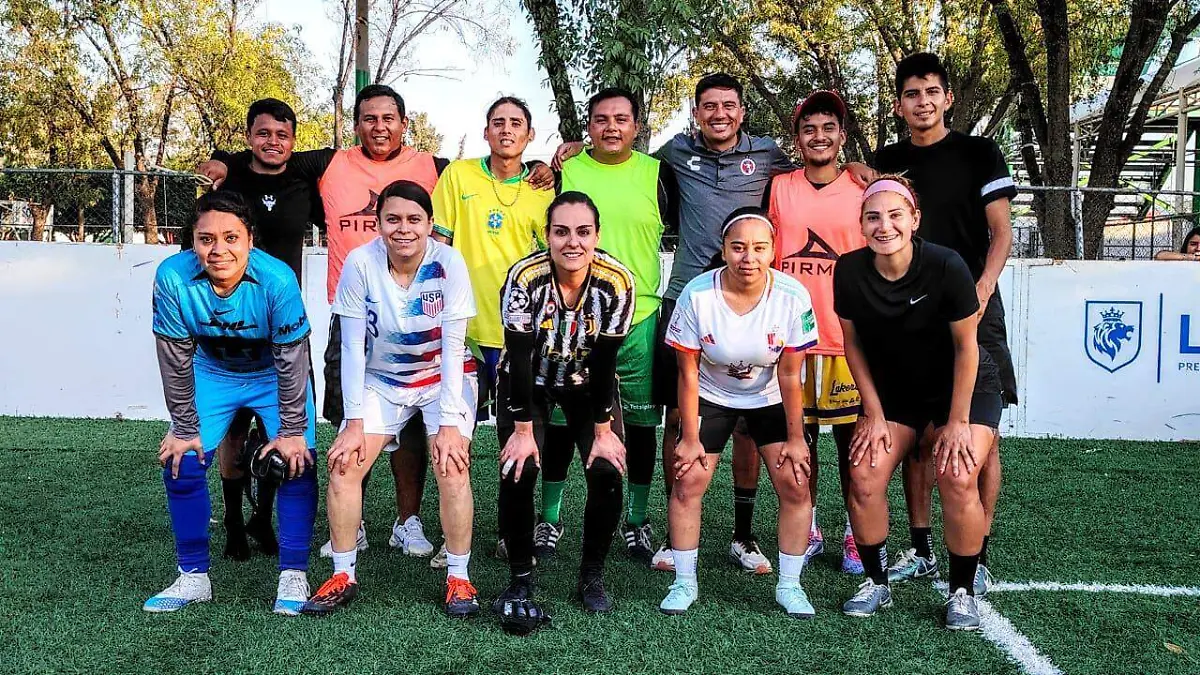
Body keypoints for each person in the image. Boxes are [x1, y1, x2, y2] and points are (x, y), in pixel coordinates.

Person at [201, 85, 552, 562]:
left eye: (389, 118)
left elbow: (499, 166)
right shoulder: (328, 164)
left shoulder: (436, 168)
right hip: (355, 315)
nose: (379, 126)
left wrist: (543, 164)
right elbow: (267, 156)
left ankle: (409, 523)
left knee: (419, 432)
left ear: (405, 123)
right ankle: (355, 524)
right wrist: (223, 159)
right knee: (352, 424)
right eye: (369, 118)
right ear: (356, 124)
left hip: (428, 318)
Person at [554, 74, 872, 573]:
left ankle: (743, 537)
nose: (719, 114)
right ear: (696, 112)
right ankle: (668, 531)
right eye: (708, 106)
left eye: (728, 106)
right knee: (679, 420)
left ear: (742, 112)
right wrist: (573, 148)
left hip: (752, 300)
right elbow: (621, 157)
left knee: (747, 425)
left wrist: (855, 167)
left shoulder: (768, 155)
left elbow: (818, 169)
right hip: (687, 298)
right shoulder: (674, 154)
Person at [301, 180, 480, 617]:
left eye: (414, 219)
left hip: (443, 379)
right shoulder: (361, 263)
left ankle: (459, 577)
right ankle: (343, 573)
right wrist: (354, 421)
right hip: (382, 380)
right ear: (378, 223)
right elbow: (351, 345)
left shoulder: (449, 262)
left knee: (452, 464)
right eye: (393, 219)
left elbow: (454, 346)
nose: (404, 229)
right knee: (345, 464)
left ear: (429, 224)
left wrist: (451, 424)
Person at [874, 53, 1016, 595]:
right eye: (912, 94)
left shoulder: (980, 154)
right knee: (917, 437)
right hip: (907, 313)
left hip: (974, 310)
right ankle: (921, 549)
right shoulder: (889, 161)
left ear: (948, 97)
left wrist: (980, 292)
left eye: (932, 91)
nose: (923, 101)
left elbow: (1001, 233)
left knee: (980, 437)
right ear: (899, 104)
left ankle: (977, 554)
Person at [834, 176, 1001, 630]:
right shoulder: (848, 270)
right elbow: (853, 346)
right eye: (873, 217)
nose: (883, 226)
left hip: (964, 387)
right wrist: (872, 412)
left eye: (894, 215)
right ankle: (877, 582)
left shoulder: (946, 265)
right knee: (864, 475)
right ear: (862, 225)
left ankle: (962, 590)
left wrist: (958, 421)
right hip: (897, 393)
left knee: (957, 473)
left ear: (914, 220)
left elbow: (968, 348)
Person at [145, 191, 318, 616]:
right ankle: (193, 577)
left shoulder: (277, 279)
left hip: (273, 375)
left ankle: (294, 573)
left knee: (298, 460)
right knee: (182, 459)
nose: (218, 250)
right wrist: (184, 427)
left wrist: (292, 432)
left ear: (249, 240)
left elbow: (293, 358)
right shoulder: (172, 277)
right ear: (192, 241)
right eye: (206, 239)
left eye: (230, 238)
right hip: (214, 374)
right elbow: (174, 358)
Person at [537, 87, 678, 566]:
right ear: (587, 127)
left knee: (639, 423)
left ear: (637, 126)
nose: (611, 127)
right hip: (572, 315)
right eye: (600, 119)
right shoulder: (566, 169)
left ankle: (637, 522)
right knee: (561, 419)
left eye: (621, 119)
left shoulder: (658, 172)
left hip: (638, 315)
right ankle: (549, 518)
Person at [659, 207, 820, 617]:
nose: (748, 257)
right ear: (724, 250)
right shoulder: (697, 294)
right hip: (712, 393)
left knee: (796, 482)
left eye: (759, 248)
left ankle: (790, 585)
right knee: (688, 480)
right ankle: (684, 582)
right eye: (738, 247)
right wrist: (691, 438)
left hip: (768, 395)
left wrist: (798, 438)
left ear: (772, 251)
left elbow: (790, 374)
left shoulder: (792, 296)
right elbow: (688, 372)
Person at [189, 98, 322, 564]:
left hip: (283, 324)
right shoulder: (232, 177)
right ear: (248, 136)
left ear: (293, 141)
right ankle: (231, 522)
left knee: (283, 429)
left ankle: (262, 516)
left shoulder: (305, 175)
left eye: (282, 135)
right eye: (263, 133)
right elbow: (214, 174)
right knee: (232, 432)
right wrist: (219, 162)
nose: (273, 142)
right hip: (229, 324)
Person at [493, 191, 634, 622]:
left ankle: (592, 572)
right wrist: (521, 432)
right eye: (561, 232)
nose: (572, 242)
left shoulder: (617, 282)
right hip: (528, 383)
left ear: (597, 236)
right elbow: (517, 357)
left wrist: (604, 430)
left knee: (608, 469)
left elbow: (606, 361)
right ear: (547, 236)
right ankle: (520, 573)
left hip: (588, 384)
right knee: (519, 468)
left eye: (583, 232)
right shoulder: (524, 276)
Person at [766, 90, 868, 575]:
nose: (819, 136)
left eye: (829, 127)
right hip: (795, 341)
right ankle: (807, 529)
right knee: (799, 443)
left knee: (853, 449)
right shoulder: (780, 187)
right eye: (810, 129)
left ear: (842, 136)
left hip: (848, 339)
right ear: (798, 138)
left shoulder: (861, 188)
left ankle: (856, 532)